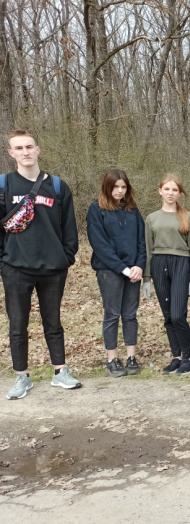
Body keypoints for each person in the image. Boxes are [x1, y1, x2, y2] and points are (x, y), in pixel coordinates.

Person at [2, 129, 81, 399]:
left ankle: (60, 372)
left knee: (53, 322)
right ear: (11, 153)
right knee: (17, 325)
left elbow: (69, 228)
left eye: (29, 147)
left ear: (38, 150)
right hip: (15, 268)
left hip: (52, 268)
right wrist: (4, 262)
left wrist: (65, 257)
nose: (25, 152)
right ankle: (22, 377)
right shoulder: (3, 185)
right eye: (19, 148)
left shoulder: (58, 186)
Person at [86, 170, 146, 377]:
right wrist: (123, 268)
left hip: (133, 271)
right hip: (109, 270)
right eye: (115, 187)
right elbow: (99, 244)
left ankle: (131, 357)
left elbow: (141, 241)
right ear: (107, 186)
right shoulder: (96, 209)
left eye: (123, 187)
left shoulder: (133, 210)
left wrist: (139, 266)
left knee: (130, 314)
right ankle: (112, 359)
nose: (120, 191)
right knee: (112, 314)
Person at [143, 174, 190, 375]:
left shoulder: (188, 217)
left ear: (179, 193)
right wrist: (147, 278)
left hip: (181, 264)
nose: (170, 193)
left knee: (178, 315)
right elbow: (148, 249)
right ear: (160, 191)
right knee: (168, 316)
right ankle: (176, 356)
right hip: (159, 264)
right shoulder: (151, 218)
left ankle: (188, 358)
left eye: (175, 190)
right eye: (167, 189)